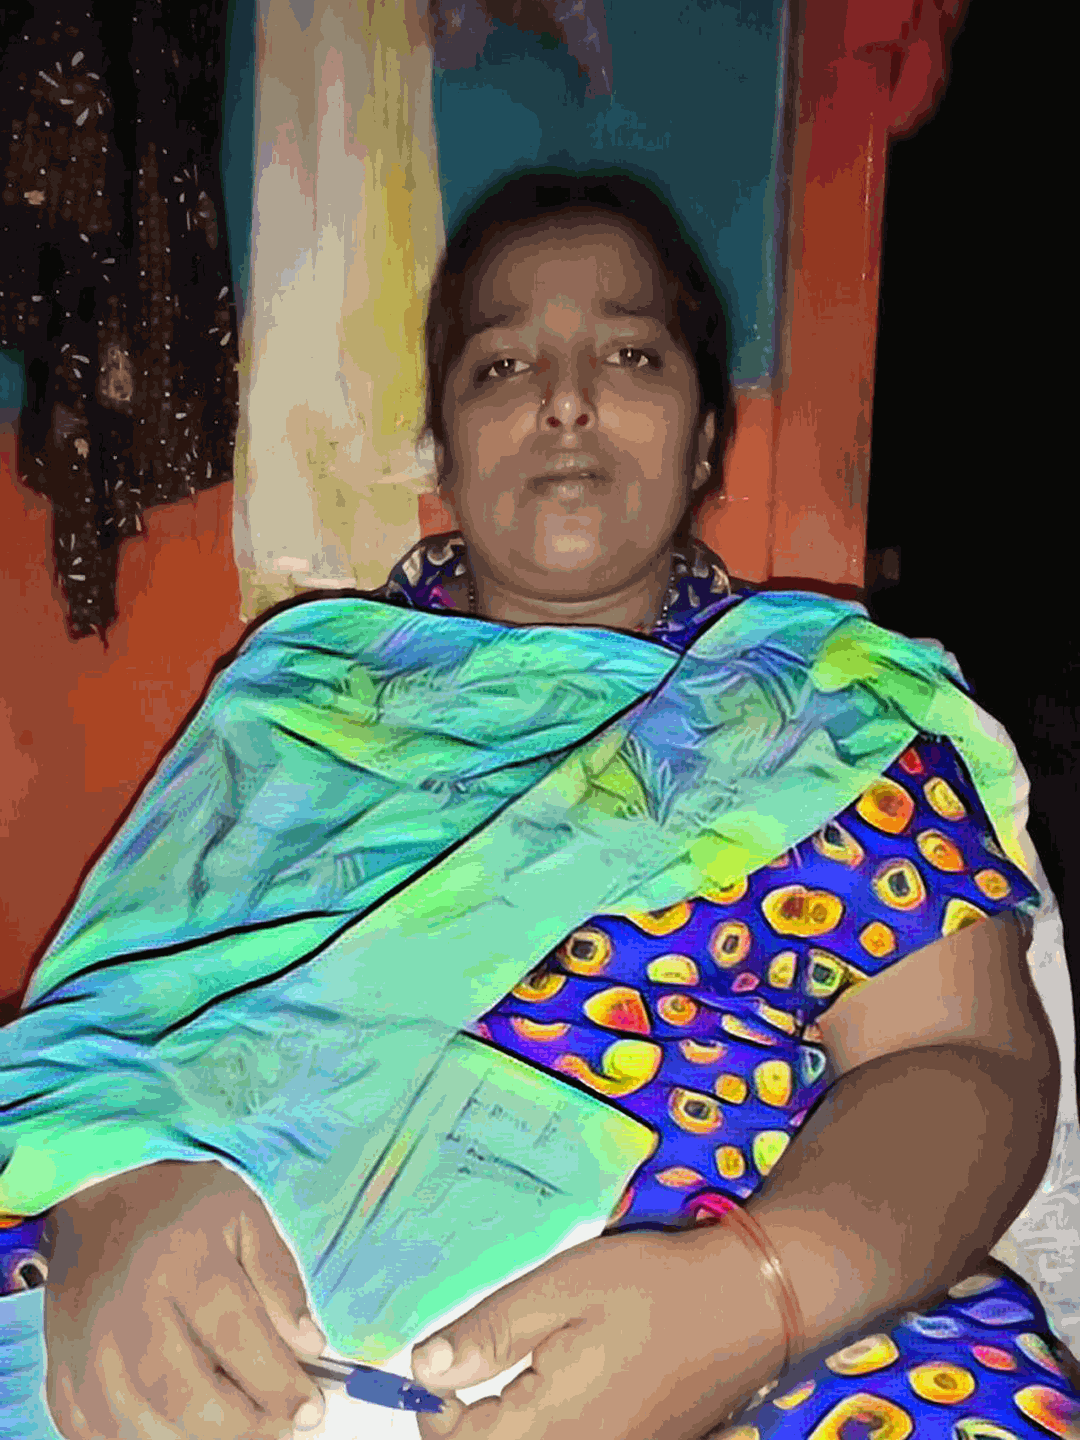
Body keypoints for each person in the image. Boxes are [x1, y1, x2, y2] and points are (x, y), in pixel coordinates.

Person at [2, 171, 1078, 1440]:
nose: (566, 400)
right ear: (444, 452)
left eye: (631, 355)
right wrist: (110, 1189)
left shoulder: (829, 709)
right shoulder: (298, 692)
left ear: (706, 437)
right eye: (503, 367)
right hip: (231, 1277)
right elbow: (105, 1009)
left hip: (736, 1312)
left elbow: (961, 1056)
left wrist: (755, 1298)